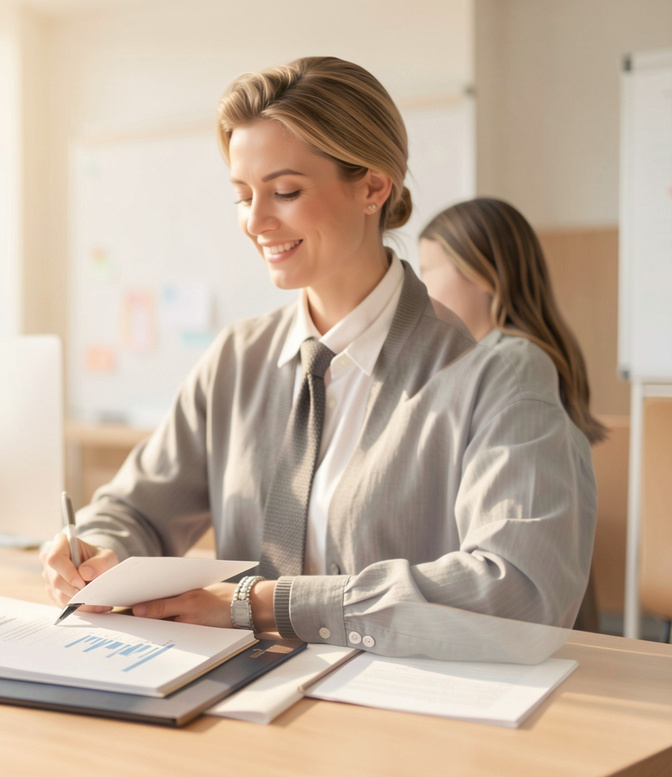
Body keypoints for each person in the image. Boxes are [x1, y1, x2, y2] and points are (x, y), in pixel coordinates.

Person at [41, 57, 596, 662]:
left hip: (403, 721)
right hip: (232, 706)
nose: (255, 221)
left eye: (285, 191)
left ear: (373, 187)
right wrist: (94, 548)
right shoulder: (236, 360)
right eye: (242, 195)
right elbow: (135, 509)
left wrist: (263, 604)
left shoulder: (495, 376)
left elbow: (520, 593)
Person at [418, 196, 607, 630]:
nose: (420, 289)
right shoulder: (497, 358)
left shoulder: (512, 363)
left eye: (427, 270)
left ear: (482, 273)